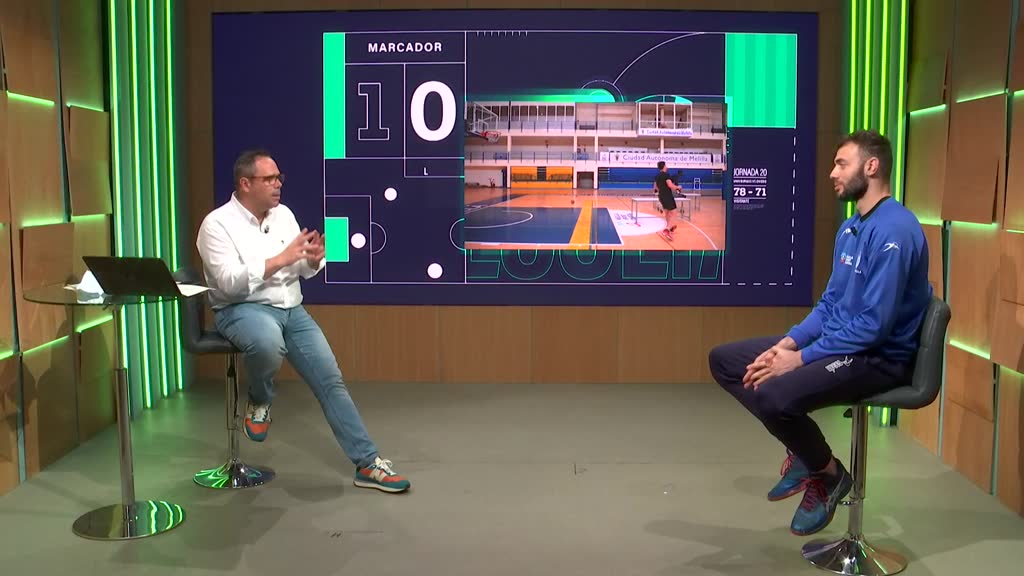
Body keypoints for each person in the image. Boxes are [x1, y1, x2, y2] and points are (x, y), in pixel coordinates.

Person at [708, 130, 931, 536]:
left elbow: (873, 326)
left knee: (773, 395)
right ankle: (805, 451)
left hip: (879, 358)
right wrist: (788, 343)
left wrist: (800, 359)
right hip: (845, 343)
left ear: (871, 166)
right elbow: (829, 305)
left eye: (841, 163)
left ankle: (828, 474)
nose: (832, 173)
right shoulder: (850, 229)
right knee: (726, 361)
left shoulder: (895, 231)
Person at [196, 149, 410, 494]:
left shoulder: (283, 215)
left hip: (292, 310)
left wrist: (311, 261)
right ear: (245, 183)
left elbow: (301, 269)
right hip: (242, 309)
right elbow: (228, 283)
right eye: (270, 179)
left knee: (330, 380)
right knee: (268, 343)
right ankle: (260, 398)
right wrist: (282, 258)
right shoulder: (216, 225)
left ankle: (368, 463)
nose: (278, 184)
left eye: (279, 177)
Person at [654, 160, 682, 240]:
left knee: (667, 212)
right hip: (667, 195)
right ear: (664, 166)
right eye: (666, 165)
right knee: (674, 211)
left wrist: (660, 190)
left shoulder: (657, 176)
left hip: (661, 196)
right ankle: (667, 229)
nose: (667, 167)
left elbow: (655, 187)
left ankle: (670, 227)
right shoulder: (666, 175)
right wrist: (678, 187)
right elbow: (670, 185)